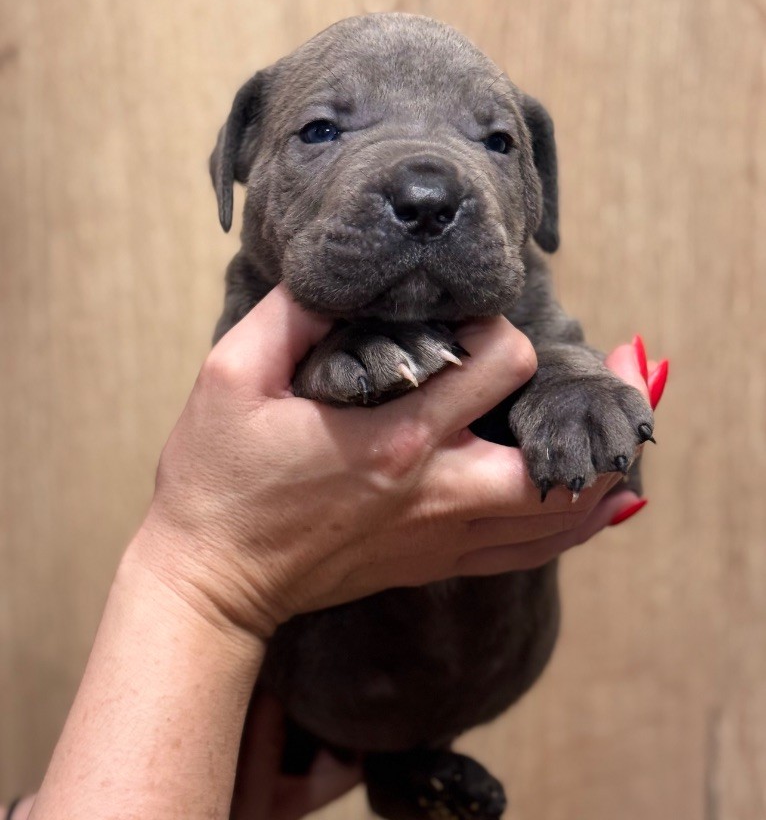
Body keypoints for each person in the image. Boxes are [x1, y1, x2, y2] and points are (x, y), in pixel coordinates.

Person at [3, 286, 666, 820]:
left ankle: (398, 761)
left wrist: (572, 394)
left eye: (492, 141)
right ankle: (395, 765)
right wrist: (207, 581)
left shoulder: (520, 287)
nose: (424, 190)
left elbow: (560, 367)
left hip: (476, 670)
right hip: (309, 698)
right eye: (322, 130)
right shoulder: (269, 307)